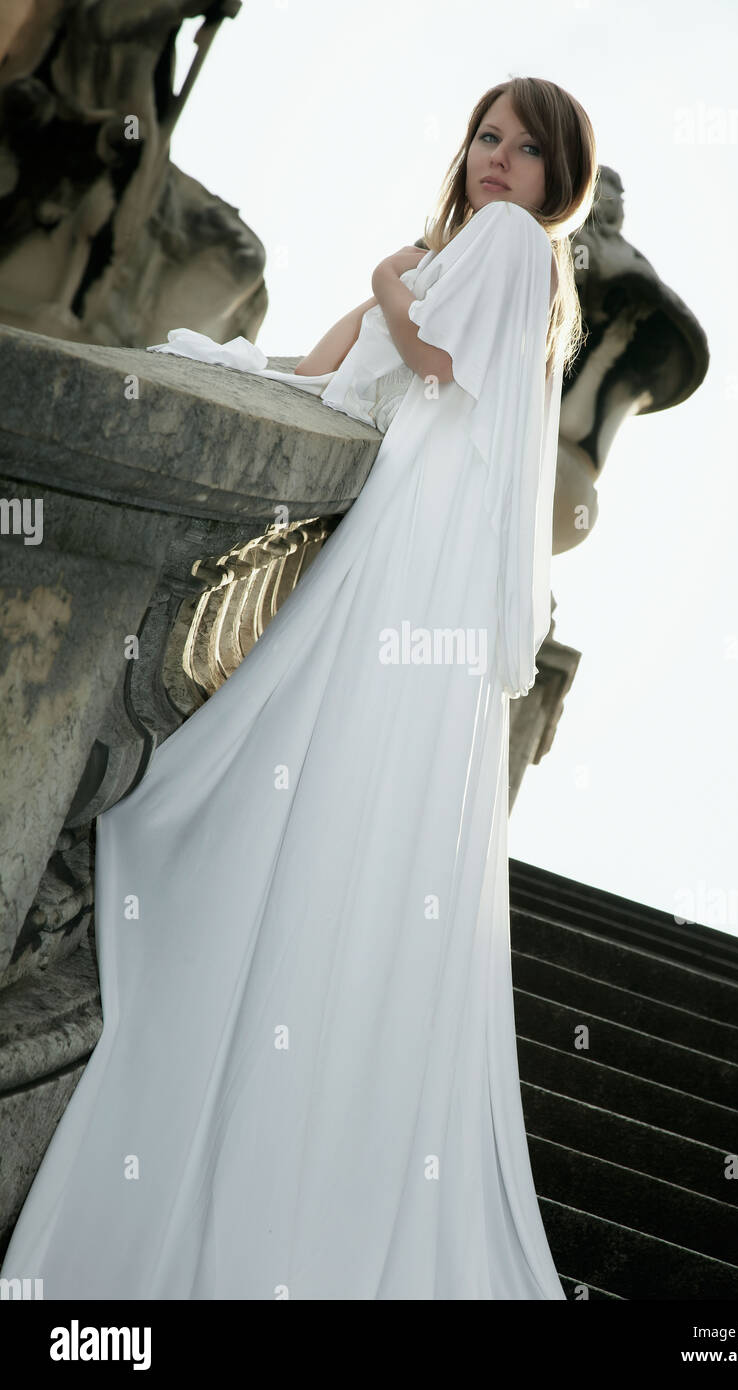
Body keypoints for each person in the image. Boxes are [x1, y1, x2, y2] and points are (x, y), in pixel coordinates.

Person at [1, 76, 598, 1300]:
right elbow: (327, 375)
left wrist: (390, 286)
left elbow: (431, 367)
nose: (494, 161)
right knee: (322, 785)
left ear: (556, 176)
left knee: (300, 761)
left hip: (406, 544)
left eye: (523, 149)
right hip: (387, 528)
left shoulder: (504, 250)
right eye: (483, 136)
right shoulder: (462, 252)